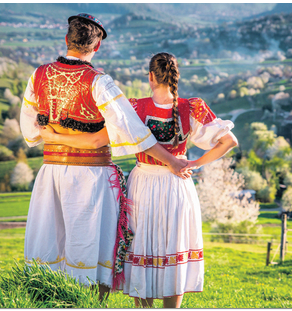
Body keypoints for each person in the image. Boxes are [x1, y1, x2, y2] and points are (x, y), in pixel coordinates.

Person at [39, 52, 238, 308]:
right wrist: (193, 163)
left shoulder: (134, 107)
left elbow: (98, 140)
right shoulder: (192, 106)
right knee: (172, 246)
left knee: (140, 247)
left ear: (150, 77)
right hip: (177, 185)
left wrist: (54, 137)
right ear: (175, 77)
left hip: (143, 182)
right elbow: (229, 141)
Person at [20, 14, 190, 302]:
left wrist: (57, 136)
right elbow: (133, 131)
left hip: (50, 171)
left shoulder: (38, 75)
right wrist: (172, 161)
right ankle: (90, 303)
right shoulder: (99, 82)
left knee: (51, 241)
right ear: (96, 46)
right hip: (91, 175)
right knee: (91, 247)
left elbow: (31, 132)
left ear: (66, 40)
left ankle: (50, 300)